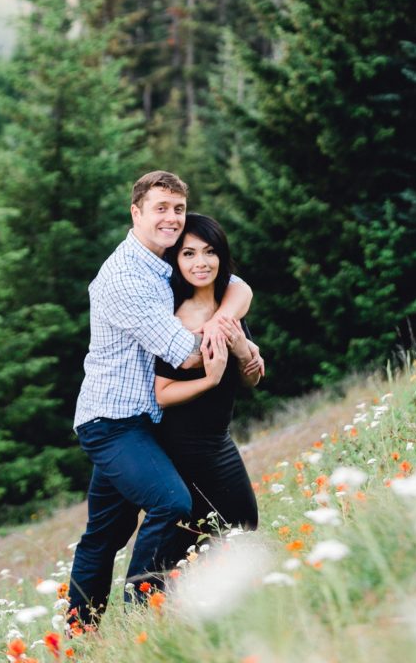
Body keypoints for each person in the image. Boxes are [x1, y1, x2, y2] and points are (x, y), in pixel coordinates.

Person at [68, 171, 259, 625]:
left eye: (177, 208)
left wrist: (224, 317)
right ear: (136, 213)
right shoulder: (126, 279)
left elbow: (232, 282)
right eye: (160, 208)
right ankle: (140, 616)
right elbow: (188, 355)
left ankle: (80, 635)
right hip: (113, 422)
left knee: (104, 535)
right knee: (172, 504)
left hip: (144, 421)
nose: (171, 218)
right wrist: (230, 342)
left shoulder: (163, 260)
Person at [154, 213, 260, 568]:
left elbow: (253, 378)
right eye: (188, 254)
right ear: (176, 260)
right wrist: (208, 380)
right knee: (192, 539)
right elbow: (162, 393)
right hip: (185, 444)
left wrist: (243, 349)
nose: (201, 262)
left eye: (209, 252)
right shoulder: (174, 318)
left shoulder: (228, 307)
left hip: (219, 439)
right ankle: (151, 603)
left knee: (243, 526)